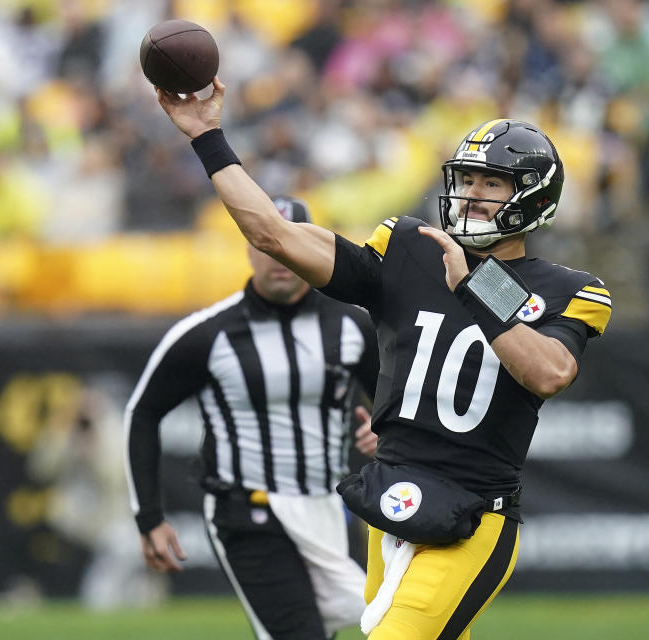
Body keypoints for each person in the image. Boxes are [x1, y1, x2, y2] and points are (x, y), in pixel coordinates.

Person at [154, 78, 612, 640]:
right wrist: (206, 136)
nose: (470, 194)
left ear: (533, 198)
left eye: (491, 183)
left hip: (473, 515)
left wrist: (476, 286)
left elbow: (549, 372)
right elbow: (271, 234)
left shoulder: (572, 289)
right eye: (465, 178)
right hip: (391, 499)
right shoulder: (406, 247)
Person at [125, 195, 380, 640]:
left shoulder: (352, 326)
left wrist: (386, 432)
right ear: (248, 248)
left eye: (291, 244)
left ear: (312, 249)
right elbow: (143, 412)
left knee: (381, 625)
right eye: (267, 244)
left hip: (328, 507)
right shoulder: (207, 333)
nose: (279, 256)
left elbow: (396, 407)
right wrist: (149, 516)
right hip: (249, 510)